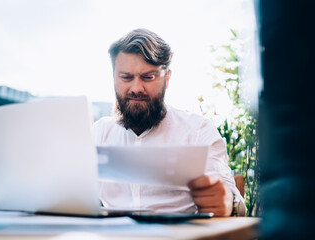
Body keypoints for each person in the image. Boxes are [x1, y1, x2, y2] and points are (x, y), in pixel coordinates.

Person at [93, 28, 246, 216]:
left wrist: (229, 202)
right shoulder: (98, 133)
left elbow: (232, 199)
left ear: (167, 79)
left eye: (148, 77)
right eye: (126, 77)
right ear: (114, 78)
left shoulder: (198, 131)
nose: (136, 88)